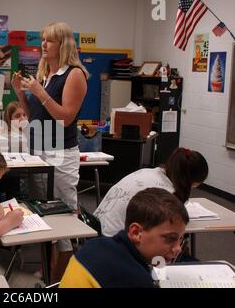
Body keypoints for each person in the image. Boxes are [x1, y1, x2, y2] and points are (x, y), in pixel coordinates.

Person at [11, 21, 88, 281]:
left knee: (64, 217)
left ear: (63, 44)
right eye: (42, 39)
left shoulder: (74, 74)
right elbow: (35, 116)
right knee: (42, 213)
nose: (44, 44)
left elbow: (65, 118)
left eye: (50, 40)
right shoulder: (45, 74)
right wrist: (20, 94)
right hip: (38, 151)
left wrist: (40, 92)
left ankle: (60, 279)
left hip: (61, 154)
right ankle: (49, 268)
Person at [60, 187, 189, 288]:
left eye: (181, 239)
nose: (178, 248)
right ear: (136, 232)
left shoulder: (96, 244)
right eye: (170, 238)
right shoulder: (136, 279)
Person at [94, 147, 208, 237]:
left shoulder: (149, 172)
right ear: (189, 180)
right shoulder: (166, 193)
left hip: (96, 226)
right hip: (114, 237)